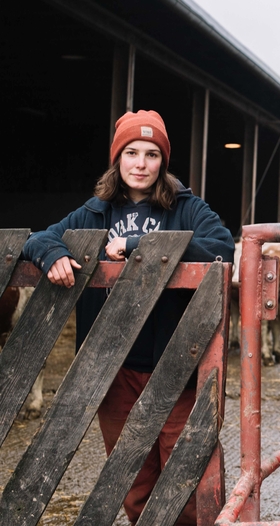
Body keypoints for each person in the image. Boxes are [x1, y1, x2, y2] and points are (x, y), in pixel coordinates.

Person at [22, 109, 235, 525]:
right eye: (132, 152)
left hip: (176, 361)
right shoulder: (94, 213)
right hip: (113, 367)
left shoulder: (186, 209)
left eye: (152, 154)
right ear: (117, 159)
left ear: (163, 162)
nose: (141, 163)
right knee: (132, 474)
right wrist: (53, 253)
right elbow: (39, 237)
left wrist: (142, 245)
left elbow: (222, 247)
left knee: (186, 463)